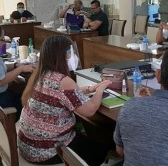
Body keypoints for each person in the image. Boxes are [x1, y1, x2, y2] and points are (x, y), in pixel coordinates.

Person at [18, 35, 111, 165]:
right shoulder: (63, 81)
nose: (74, 57)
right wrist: (101, 89)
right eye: (70, 53)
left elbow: (66, 94)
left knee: (89, 136)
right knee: (102, 148)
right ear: (59, 56)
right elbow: (90, 110)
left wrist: (91, 88)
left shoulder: (41, 74)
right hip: (48, 151)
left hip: (29, 146)